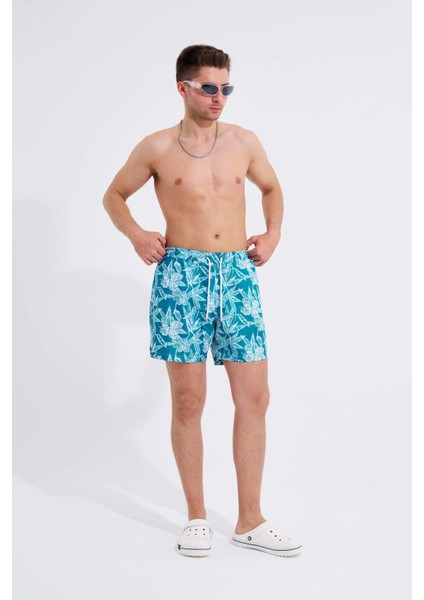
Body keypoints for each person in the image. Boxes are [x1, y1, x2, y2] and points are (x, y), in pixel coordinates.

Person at [103, 44, 302, 558]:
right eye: (209, 88)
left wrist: (273, 233)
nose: (219, 98)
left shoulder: (244, 141)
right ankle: (196, 518)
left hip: (236, 275)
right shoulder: (155, 147)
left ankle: (250, 519)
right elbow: (113, 195)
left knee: (255, 398)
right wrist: (136, 234)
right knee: (189, 401)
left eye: (226, 88)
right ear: (183, 88)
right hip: (181, 278)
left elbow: (272, 188)